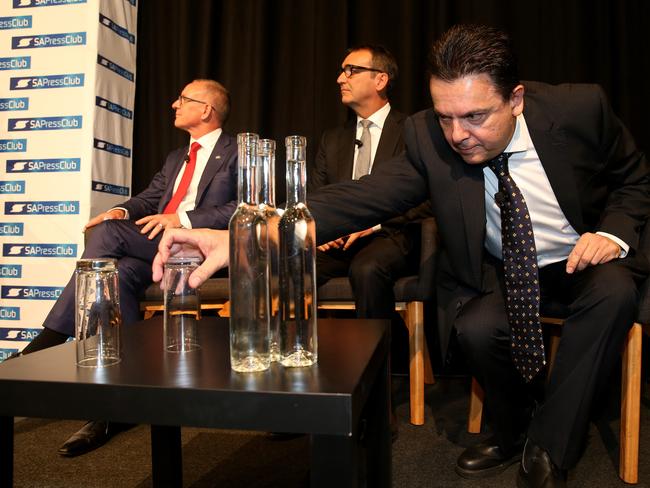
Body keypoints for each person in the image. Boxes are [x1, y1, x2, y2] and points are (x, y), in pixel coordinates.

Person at [153, 26, 650, 488]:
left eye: (475, 117)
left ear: (515, 99)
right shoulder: (428, 136)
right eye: (445, 116)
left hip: (586, 256)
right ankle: (514, 425)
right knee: (475, 328)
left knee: (615, 293)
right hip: (509, 271)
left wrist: (613, 232)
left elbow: (634, 176)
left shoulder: (579, 109)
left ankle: (551, 443)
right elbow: (363, 196)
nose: (457, 135)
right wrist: (250, 233)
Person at [22, 78, 239, 457]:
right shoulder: (176, 158)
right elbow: (149, 198)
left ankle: (45, 344)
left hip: (206, 251)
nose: (174, 104)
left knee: (108, 236)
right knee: (116, 272)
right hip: (158, 254)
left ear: (206, 109)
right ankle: (128, 395)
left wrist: (183, 219)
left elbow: (243, 206)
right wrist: (122, 210)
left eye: (183, 99)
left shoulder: (237, 150)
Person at [310, 44, 431, 370]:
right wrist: (323, 231)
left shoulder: (413, 131)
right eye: (341, 70)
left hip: (393, 234)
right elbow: (319, 194)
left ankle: (375, 380)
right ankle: (301, 370)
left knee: (366, 269)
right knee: (288, 266)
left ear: (380, 80)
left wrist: (372, 223)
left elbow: (429, 197)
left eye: (350, 70)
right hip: (337, 241)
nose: (340, 79)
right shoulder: (332, 138)